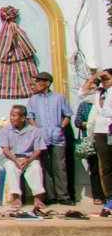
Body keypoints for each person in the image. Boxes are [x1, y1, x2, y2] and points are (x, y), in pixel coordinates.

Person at [24, 72, 72, 205]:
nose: (36, 85)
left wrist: (62, 126)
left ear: (47, 83)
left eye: (39, 82)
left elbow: (67, 114)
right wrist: (38, 129)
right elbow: (30, 117)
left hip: (57, 136)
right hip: (42, 137)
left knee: (60, 167)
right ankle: (50, 196)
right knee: (45, 167)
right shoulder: (33, 100)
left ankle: (63, 196)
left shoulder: (59, 98)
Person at [0, 105, 50, 219]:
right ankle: (16, 198)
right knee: (11, 168)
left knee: (36, 167)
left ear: (22, 118)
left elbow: (38, 149)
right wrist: (16, 160)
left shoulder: (34, 131)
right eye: (10, 115)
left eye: (14, 115)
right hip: (11, 158)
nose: (11, 118)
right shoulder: (6, 129)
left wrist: (29, 160)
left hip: (28, 158)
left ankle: (38, 198)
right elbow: (5, 149)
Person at [81, 70, 112, 215]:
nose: (105, 81)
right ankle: (110, 197)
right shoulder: (98, 93)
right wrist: (94, 77)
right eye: (103, 79)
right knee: (105, 167)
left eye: (107, 78)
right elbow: (82, 93)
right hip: (101, 132)